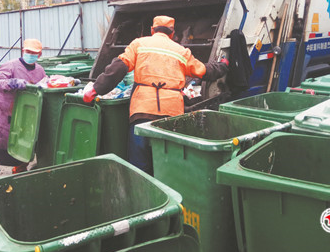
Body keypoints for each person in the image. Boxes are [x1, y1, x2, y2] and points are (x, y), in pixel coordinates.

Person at [83, 16, 228, 174]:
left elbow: (118, 67)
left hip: (142, 112)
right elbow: (205, 71)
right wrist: (222, 65)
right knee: (169, 163)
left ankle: (141, 188)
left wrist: (95, 89)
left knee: (139, 166)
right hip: (171, 116)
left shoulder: (139, 44)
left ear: (152, 30)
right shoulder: (182, 52)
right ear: (172, 33)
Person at [0, 38, 46, 181]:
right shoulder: (10, 66)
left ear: (39, 55)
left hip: (23, 115)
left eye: (34, 53)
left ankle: (19, 178)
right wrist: (12, 82)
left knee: (22, 149)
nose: (30, 54)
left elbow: (45, 84)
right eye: (28, 51)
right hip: (1, 115)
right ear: (23, 51)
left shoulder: (40, 71)